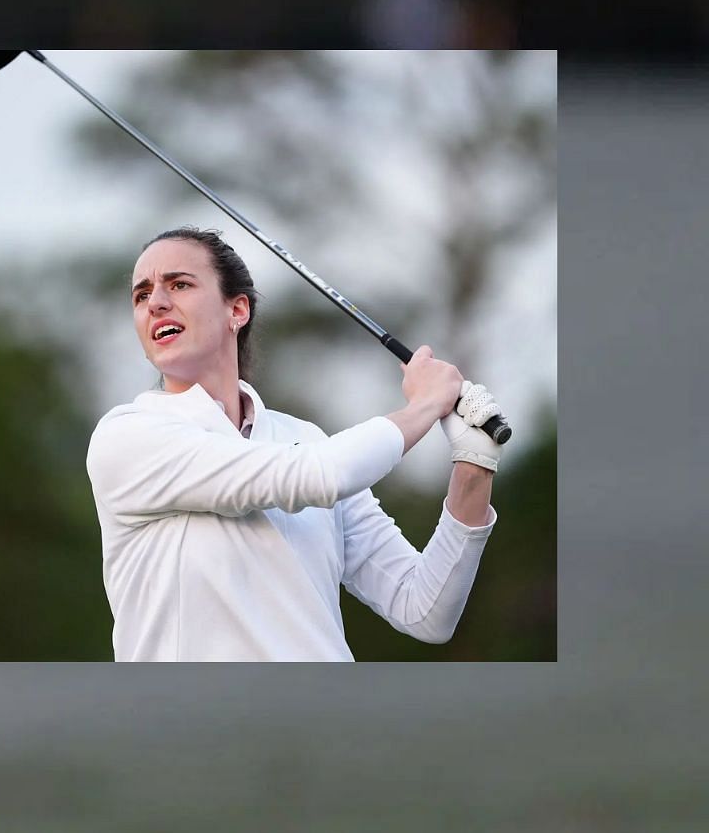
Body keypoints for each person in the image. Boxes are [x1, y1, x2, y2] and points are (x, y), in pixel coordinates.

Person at [85, 226, 504, 662]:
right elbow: (319, 476)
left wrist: (473, 464)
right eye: (141, 294)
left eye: (180, 284)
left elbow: (425, 609)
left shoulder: (305, 439)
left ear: (238, 309)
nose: (155, 302)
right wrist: (425, 407)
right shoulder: (129, 436)